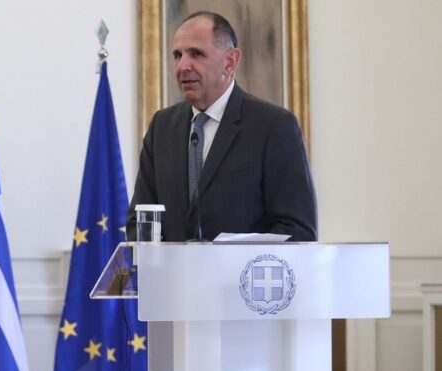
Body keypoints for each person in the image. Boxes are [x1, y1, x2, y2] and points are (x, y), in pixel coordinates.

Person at [126, 11, 317, 242]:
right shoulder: (162, 127)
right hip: (172, 267)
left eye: (196, 54)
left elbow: (296, 231)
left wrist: (231, 258)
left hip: (243, 267)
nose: (182, 66)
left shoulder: (274, 126)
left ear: (230, 62)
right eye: (177, 55)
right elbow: (139, 221)